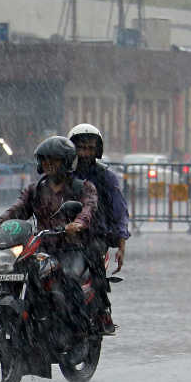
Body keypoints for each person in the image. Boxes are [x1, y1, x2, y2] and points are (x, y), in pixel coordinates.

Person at [0, 136, 98, 332]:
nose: (48, 164)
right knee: (19, 272)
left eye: (54, 159)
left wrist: (77, 224)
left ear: (66, 161)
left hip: (72, 247)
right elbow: (16, 210)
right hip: (40, 248)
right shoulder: (35, 189)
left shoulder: (83, 188)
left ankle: (78, 330)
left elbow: (88, 209)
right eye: (44, 159)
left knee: (68, 282)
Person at [68, 123, 130, 334]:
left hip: (94, 235)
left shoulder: (106, 177)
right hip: (62, 234)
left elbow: (120, 211)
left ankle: (102, 310)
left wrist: (121, 245)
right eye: (80, 148)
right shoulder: (62, 175)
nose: (85, 153)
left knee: (94, 256)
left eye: (89, 148)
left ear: (97, 150)